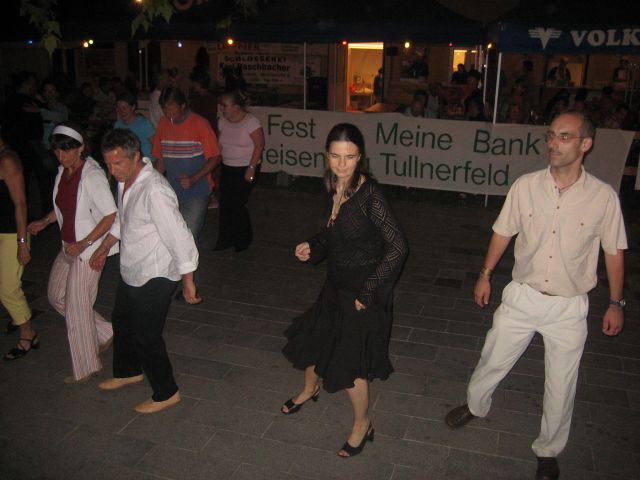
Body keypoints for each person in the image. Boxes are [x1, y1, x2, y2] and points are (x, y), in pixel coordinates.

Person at [444, 111, 627, 480]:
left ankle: (548, 449)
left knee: (561, 384)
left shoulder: (603, 197)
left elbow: (614, 252)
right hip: (523, 296)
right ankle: (476, 405)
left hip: (568, 306)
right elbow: (503, 232)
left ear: (586, 144)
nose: (553, 143)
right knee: (492, 358)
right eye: (551, 135)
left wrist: (615, 303)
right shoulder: (525, 186)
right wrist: (484, 275)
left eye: (564, 136)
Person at [281, 123, 408, 458]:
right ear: (327, 156)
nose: (341, 164)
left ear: (360, 157)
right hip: (335, 285)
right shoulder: (333, 186)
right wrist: (312, 246)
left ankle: (362, 423)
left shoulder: (371, 196)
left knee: (350, 364)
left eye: (349, 157)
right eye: (335, 156)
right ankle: (310, 389)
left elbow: (398, 248)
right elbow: (331, 233)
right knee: (316, 337)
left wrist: (368, 292)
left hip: (363, 293)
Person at [90, 128, 201, 414]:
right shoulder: (125, 181)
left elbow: (179, 236)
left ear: (136, 156)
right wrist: (105, 246)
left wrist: (188, 281)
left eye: (118, 163)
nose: (112, 170)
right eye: (108, 164)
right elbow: (124, 219)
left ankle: (167, 392)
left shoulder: (155, 190)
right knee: (121, 320)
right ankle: (128, 372)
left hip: (157, 273)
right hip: (133, 267)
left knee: (146, 335)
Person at [27, 123, 117, 383]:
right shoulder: (62, 172)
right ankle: (105, 331)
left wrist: (86, 243)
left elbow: (110, 215)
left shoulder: (92, 176)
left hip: (88, 251)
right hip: (68, 246)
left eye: (66, 150)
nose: (61, 155)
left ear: (80, 148)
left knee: (77, 308)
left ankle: (87, 366)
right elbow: (64, 207)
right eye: (57, 150)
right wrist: (46, 221)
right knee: (57, 296)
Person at [152, 86, 220, 290]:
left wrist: (194, 178)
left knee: (187, 238)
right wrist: (153, 183)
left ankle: (189, 286)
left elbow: (215, 157)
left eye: (172, 108)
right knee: (171, 236)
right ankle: (172, 279)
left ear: (183, 105)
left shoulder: (199, 124)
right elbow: (160, 159)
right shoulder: (163, 123)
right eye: (165, 108)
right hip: (171, 192)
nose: (168, 113)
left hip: (197, 192)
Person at [1, 127, 38, 361]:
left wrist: (22, 242)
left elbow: (21, 204)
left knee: (8, 288)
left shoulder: (7, 160)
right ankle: (18, 318)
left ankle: (28, 333)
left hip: (11, 233)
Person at [214, 91, 265, 252]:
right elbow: (220, 144)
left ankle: (242, 240)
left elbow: (259, 145)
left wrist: (251, 168)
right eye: (221, 105)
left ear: (236, 107)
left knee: (237, 203)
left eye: (225, 105)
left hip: (246, 167)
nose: (222, 108)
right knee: (225, 204)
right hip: (227, 166)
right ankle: (225, 239)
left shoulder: (251, 122)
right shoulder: (222, 121)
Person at [113, 91, 156, 162]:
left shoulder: (144, 123)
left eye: (124, 108)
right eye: (119, 108)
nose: (121, 111)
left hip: (146, 162)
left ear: (133, 107)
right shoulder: (117, 125)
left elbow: (157, 146)